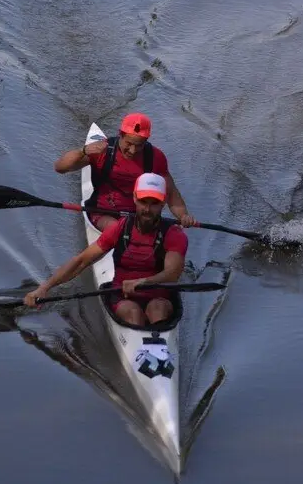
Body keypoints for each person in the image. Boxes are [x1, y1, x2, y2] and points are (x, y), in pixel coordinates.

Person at [24, 173, 188, 327]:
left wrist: (143, 282)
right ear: (134, 198)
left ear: (164, 202)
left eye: (154, 204)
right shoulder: (120, 229)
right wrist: (44, 288)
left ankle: (157, 346)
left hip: (159, 297)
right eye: (143, 202)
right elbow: (81, 261)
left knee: (157, 308)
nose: (147, 209)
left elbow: (172, 274)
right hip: (123, 297)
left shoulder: (173, 234)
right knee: (133, 313)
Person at [53, 112, 196, 231]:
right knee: (120, 229)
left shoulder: (156, 158)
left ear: (146, 140)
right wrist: (83, 151)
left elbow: (171, 194)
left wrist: (183, 216)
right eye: (129, 144)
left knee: (172, 236)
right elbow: (60, 168)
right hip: (103, 213)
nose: (133, 151)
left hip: (140, 215)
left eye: (139, 145)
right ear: (120, 134)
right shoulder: (102, 151)